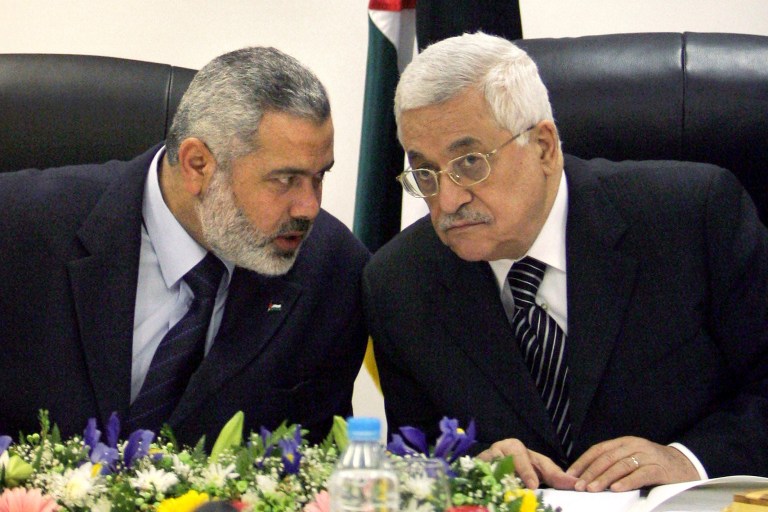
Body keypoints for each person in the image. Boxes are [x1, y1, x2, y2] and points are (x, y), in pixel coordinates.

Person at [362, 32, 768, 493]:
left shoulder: (692, 218)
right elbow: (417, 451)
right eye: (425, 173)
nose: (447, 199)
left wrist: (689, 459)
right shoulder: (398, 283)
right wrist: (471, 468)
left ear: (543, 146)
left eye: (470, 162)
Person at [0, 46, 370, 447]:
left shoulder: (334, 270)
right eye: (285, 180)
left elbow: (316, 469)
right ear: (197, 165)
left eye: (319, 177)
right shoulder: (17, 230)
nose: (309, 207)